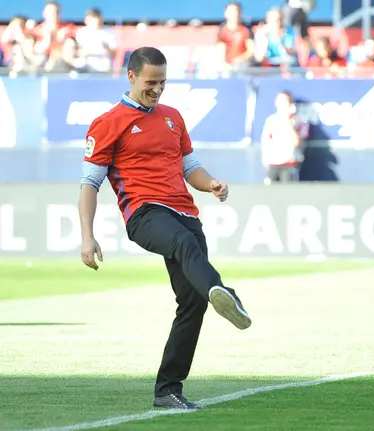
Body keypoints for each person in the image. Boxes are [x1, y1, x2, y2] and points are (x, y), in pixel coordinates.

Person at [78, 46, 252, 408]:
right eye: (150, 82)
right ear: (131, 77)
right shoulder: (109, 123)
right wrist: (87, 236)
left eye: (162, 82)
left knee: (192, 303)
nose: (157, 90)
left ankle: (168, 390)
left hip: (185, 211)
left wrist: (213, 184)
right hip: (144, 214)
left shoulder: (173, 117)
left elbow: (191, 169)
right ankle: (224, 291)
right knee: (185, 246)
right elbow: (89, 185)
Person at [260, 90, 309, 184]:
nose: (281, 104)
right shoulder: (271, 120)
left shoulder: (299, 121)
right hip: (272, 164)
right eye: (279, 101)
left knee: (288, 195)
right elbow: (266, 142)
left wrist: (288, 121)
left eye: (284, 101)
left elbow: (297, 142)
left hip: (289, 164)